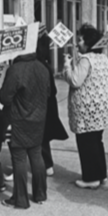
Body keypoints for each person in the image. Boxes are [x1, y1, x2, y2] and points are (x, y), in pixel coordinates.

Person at [0, 47, 50, 208]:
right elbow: (48, 92)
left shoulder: (16, 70)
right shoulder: (42, 67)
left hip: (18, 120)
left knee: (19, 158)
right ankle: (40, 193)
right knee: (36, 155)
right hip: (38, 119)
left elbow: (5, 98)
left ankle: (20, 199)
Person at [63, 24, 108, 189]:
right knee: (97, 142)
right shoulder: (103, 58)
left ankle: (91, 177)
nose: (78, 44)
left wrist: (67, 66)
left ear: (88, 42)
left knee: (86, 144)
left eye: (80, 40)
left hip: (87, 110)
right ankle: (101, 174)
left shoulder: (86, 60)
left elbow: (75, 81)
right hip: (101, 108)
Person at [36, 33, 69, 178]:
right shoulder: (47, 66)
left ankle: (46, 164)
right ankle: (47, 164)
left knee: (40, 137)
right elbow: (53, 90)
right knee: (43, 137)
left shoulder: (40, 67)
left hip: (41, 107)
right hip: (48, 106)